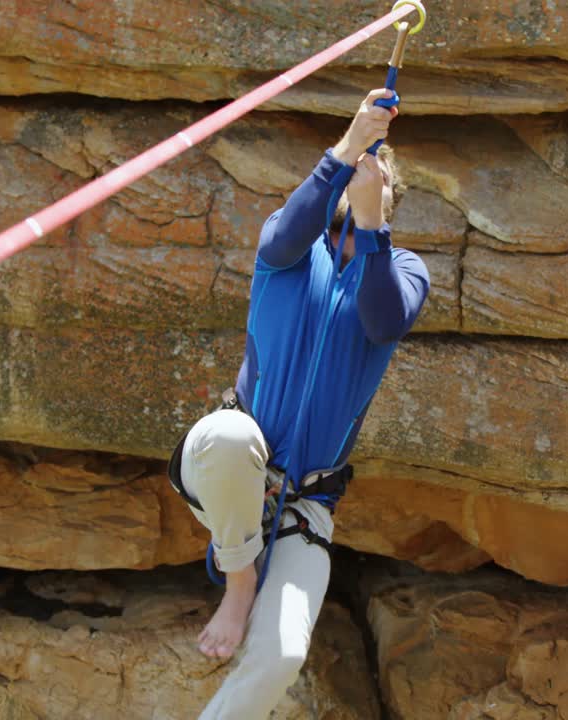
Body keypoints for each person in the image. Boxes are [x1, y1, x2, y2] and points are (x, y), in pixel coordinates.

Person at [167, 88, 429, 718]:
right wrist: (347, 145)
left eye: (381, 173)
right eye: (364, 165)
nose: (370, 172)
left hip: (306, 504)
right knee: (233, 439)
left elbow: (382, 317)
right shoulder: (290, 250)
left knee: (282, 654)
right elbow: (290, 228)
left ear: (392, 201)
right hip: (230, 469)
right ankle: (239, 580)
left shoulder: (405, 270)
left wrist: (372, 230)